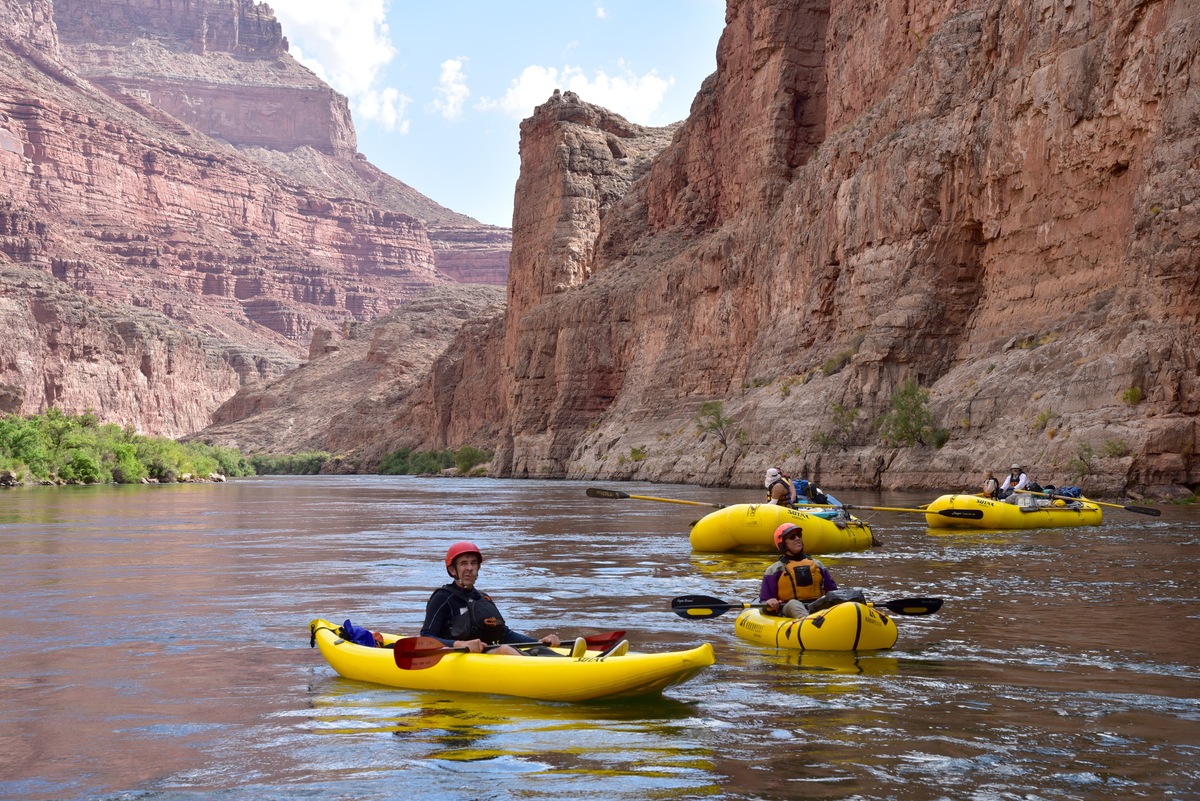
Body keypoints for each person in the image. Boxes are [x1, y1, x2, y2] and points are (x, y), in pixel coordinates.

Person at [421, 541, 586, 657]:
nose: (469, 568)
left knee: (536, 649)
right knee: (505, 650)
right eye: (463, 563)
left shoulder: (483, 598)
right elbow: (426, 638)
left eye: (473, 563)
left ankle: (565, 661)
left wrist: (538, 641)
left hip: (487, 654)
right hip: (458, 656)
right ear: (452, 570)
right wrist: (459, 644)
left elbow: (505, 634)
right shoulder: (442, 597)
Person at [758, 523, 839, 618]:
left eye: (799, 535)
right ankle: (808, 625)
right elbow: (763, 604)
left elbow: (834, 593)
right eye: (792, 537)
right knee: (793, 604)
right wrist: (770, 603)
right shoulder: (774, 570)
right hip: (788, 608)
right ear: (783, 544)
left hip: (817, 607)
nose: (797, 538)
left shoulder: (818, 565)